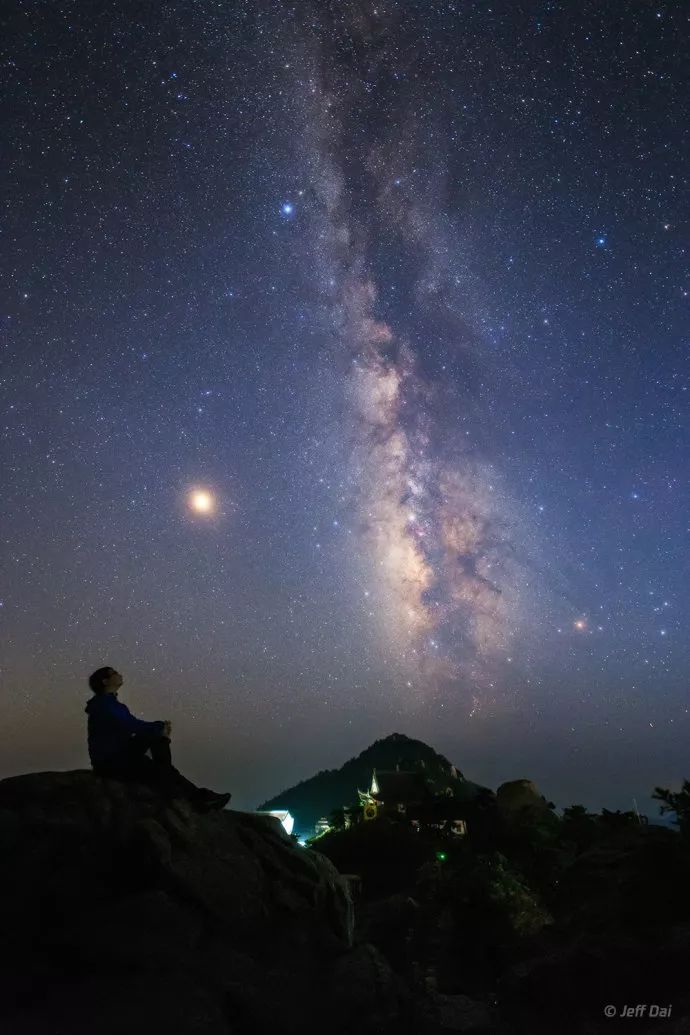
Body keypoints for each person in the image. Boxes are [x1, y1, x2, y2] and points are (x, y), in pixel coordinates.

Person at [85, 666, 230, 811]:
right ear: (105, 681)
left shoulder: (112, 704)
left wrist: (157, 729)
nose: (119, 674)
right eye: (114, 673)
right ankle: (198, 797)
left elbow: (132, 726)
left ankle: (199, 797)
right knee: (158, 747)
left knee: (160, 762)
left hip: (119, 755)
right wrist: (160, 727)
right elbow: (131, 725)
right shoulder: (104, 704)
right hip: (110, 761)